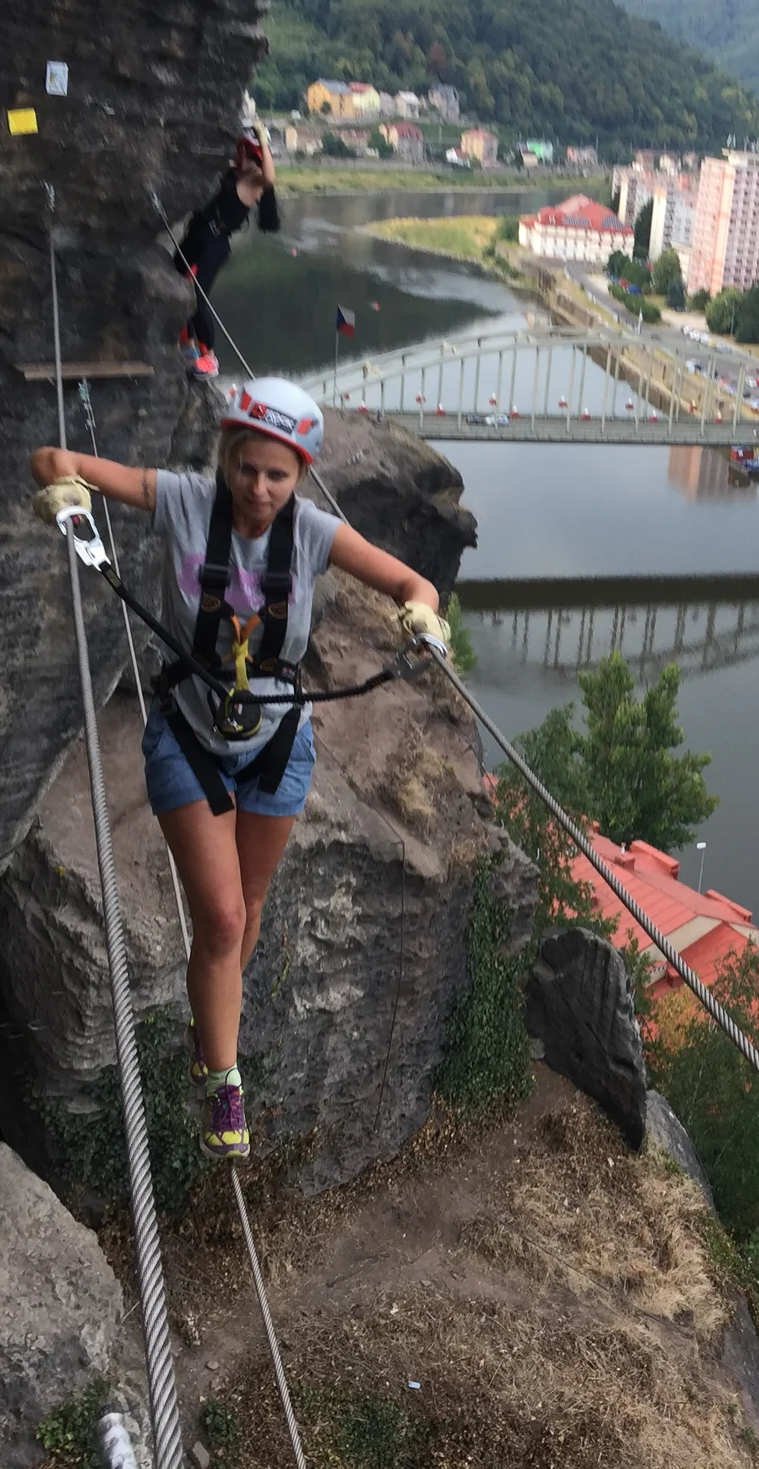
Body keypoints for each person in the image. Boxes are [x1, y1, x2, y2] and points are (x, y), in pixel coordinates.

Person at [30, 378, 451, 1158]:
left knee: (247, 908)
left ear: (300, 475)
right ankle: (220, 1077)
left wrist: (423, 613)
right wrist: (64, 494)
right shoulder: (184, 500)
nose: (259, 489)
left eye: (277, 475)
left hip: (279, 738)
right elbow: (57, 459)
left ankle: (211, 1006)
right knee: (223, 918)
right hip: (190, 730)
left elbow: (408, 581)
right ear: (227, 460)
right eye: (247, 469)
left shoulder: (316, 534)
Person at [174, 129, 279, 378]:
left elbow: (270, 177)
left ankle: (209, 357)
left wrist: (263, 139)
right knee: (177, 283)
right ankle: (186, 346)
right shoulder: (234, 174)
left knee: (197, 298)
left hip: (214, 243)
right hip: (198, 235)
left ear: (247, 151)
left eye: (241, 149)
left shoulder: (254, 180)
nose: (236, 152)